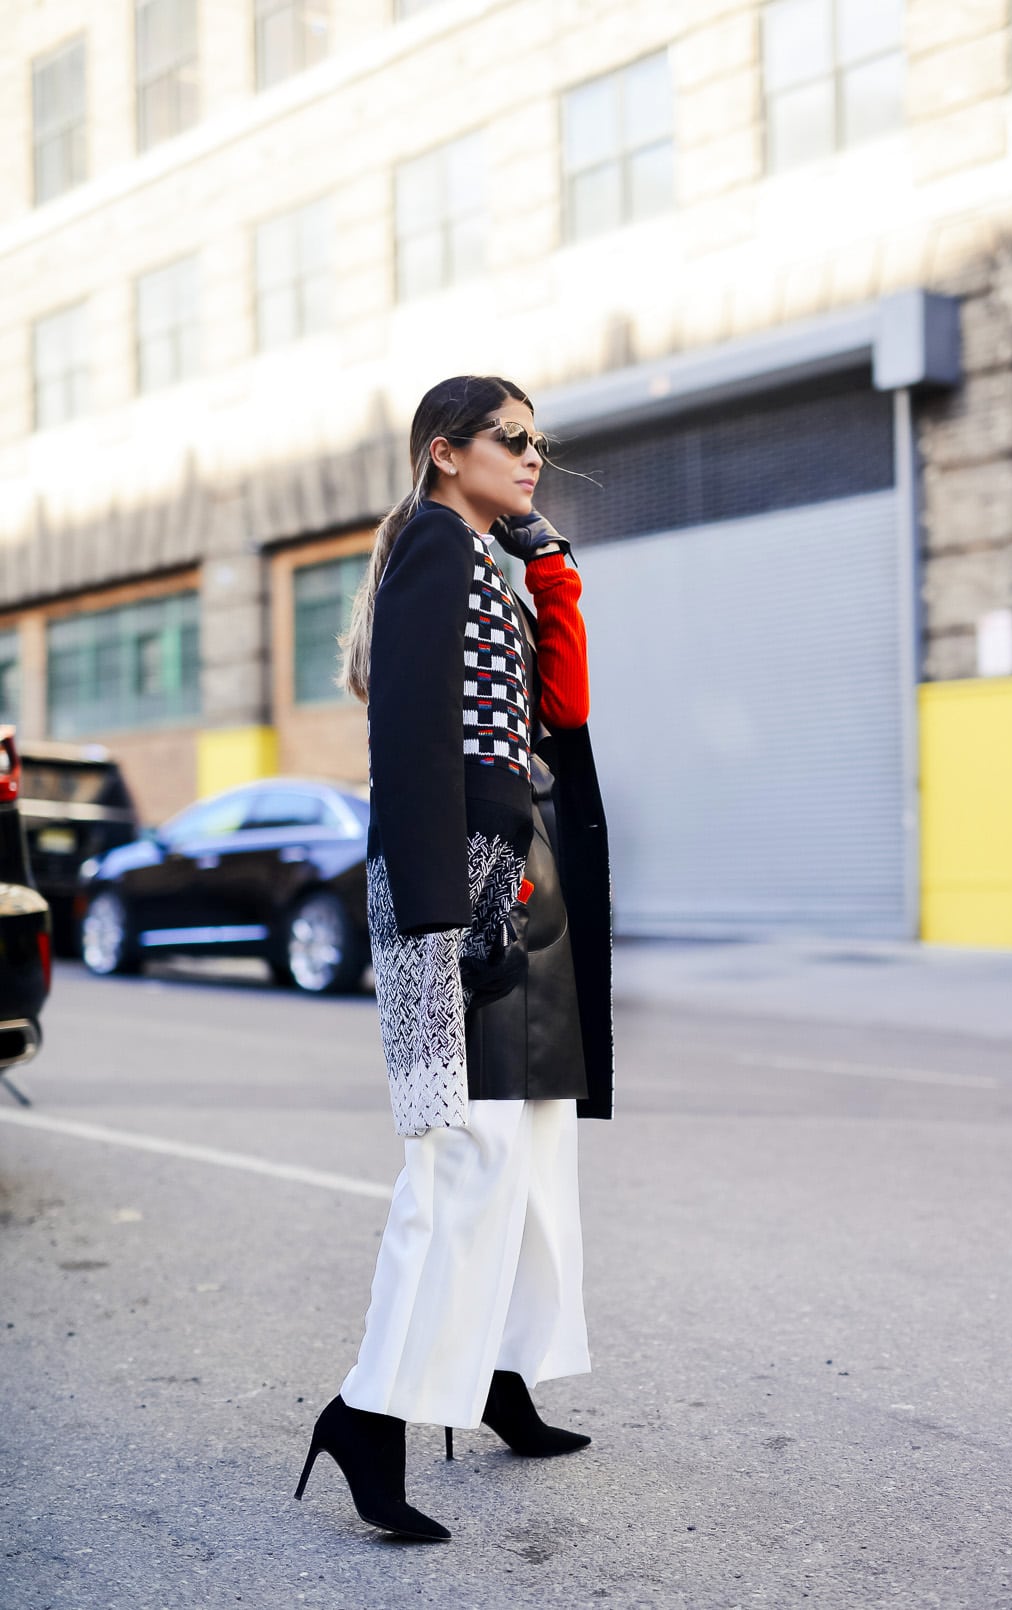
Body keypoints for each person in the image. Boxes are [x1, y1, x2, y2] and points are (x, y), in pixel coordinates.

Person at [293, 375, 613, 1542]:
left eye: (539, 443)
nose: (534, 458)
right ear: (445, 453)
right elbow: (410, 738)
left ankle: (494, 1370)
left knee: (529, 1145)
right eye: (511, 441)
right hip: (462, 880)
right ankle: (371, 1410)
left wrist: (550, 564)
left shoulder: (492, 557)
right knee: (459, 1159)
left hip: (519, 862)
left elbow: (561, 712)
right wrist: (439, 917)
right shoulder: (432, 544)